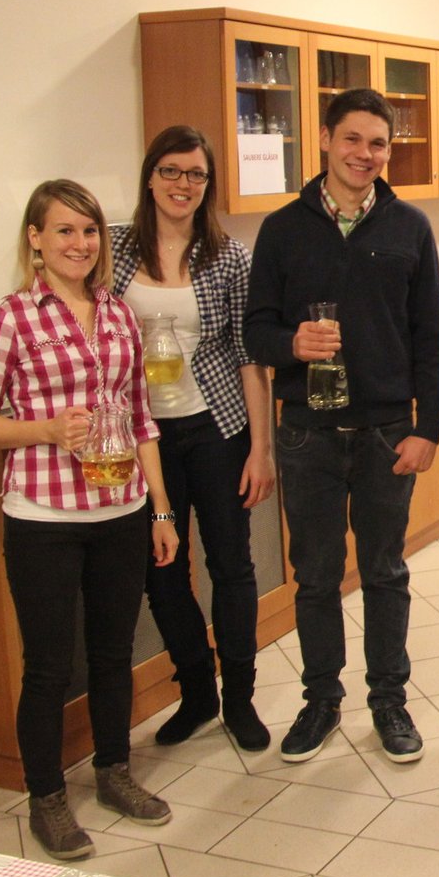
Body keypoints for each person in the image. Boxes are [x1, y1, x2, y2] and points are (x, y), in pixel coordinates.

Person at [0, 180, 180, 861]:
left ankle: (114, 772)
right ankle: (47, 797)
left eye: (89, 231)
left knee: (114, 654)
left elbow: (141, 419)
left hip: (121, 509)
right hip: (43, 515)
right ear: (35, 239)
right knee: (49, 666)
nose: (80, 244)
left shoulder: (117, 314)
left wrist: (160, 508)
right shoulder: (12, 318)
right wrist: (46, 429)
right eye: (64, 231)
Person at [245, 87, 439, 765]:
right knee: (315, 576)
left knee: (385, 571)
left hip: (388, 430)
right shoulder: (282, 229)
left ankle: (389, 701)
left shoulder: (409, 227)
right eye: (353, 139)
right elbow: (255, 332)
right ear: (325, 140)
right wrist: (291, 345)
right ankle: (321, 701)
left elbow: (431, 339)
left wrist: (429, 428)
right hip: (307, 433)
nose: (365, 154)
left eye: (378, 143)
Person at [112, 125, 276, 752]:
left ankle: (240, 699)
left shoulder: (228, 256)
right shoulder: (114, 249)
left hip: (216, 427)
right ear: (151, 176)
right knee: (161, 571)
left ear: (208, 184)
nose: (184, 184)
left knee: (231, 565)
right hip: (141, 437)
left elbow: (249, 357)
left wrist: (260, 450)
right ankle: (197, 692)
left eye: (196, 174)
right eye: (172, 171)